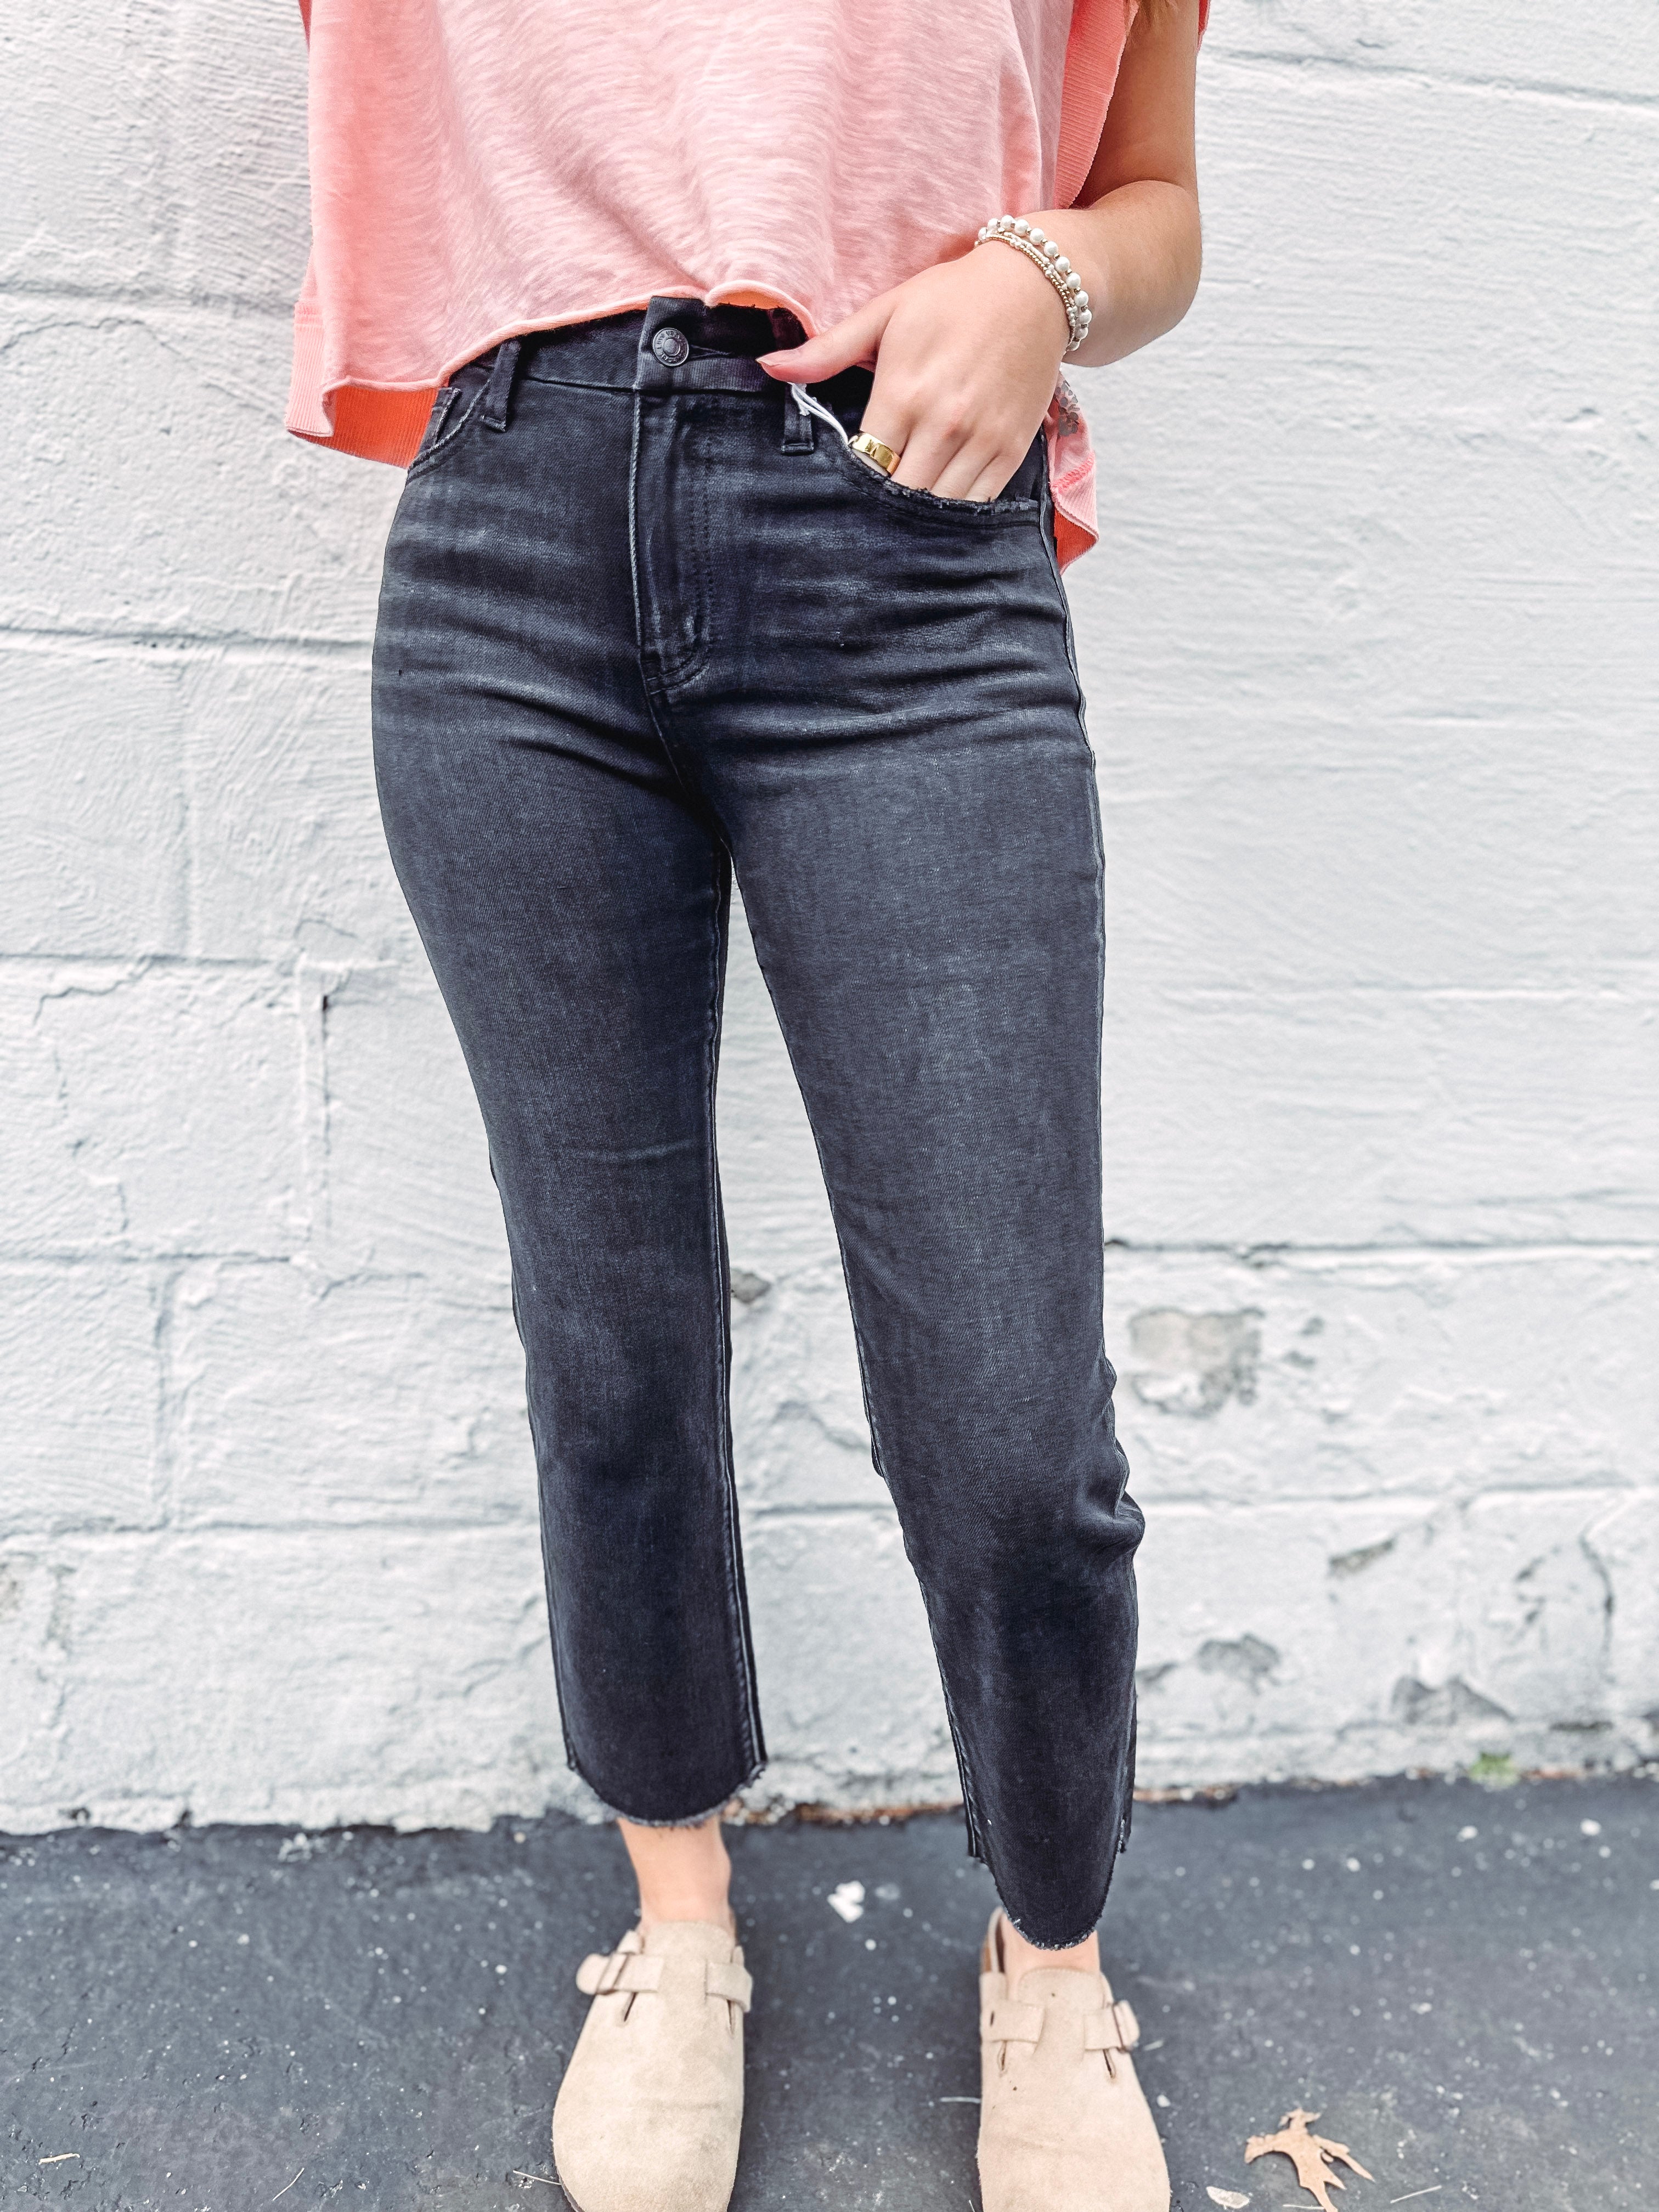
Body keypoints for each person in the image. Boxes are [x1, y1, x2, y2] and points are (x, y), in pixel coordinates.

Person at [288, 1, 1206, 2204]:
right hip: (510, 541)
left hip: (910, 539)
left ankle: (1053, 1954)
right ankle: (679, 1920)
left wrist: (1043, 280)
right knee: (613, 1343)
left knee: (1011, 1422)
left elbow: (1156, 203)